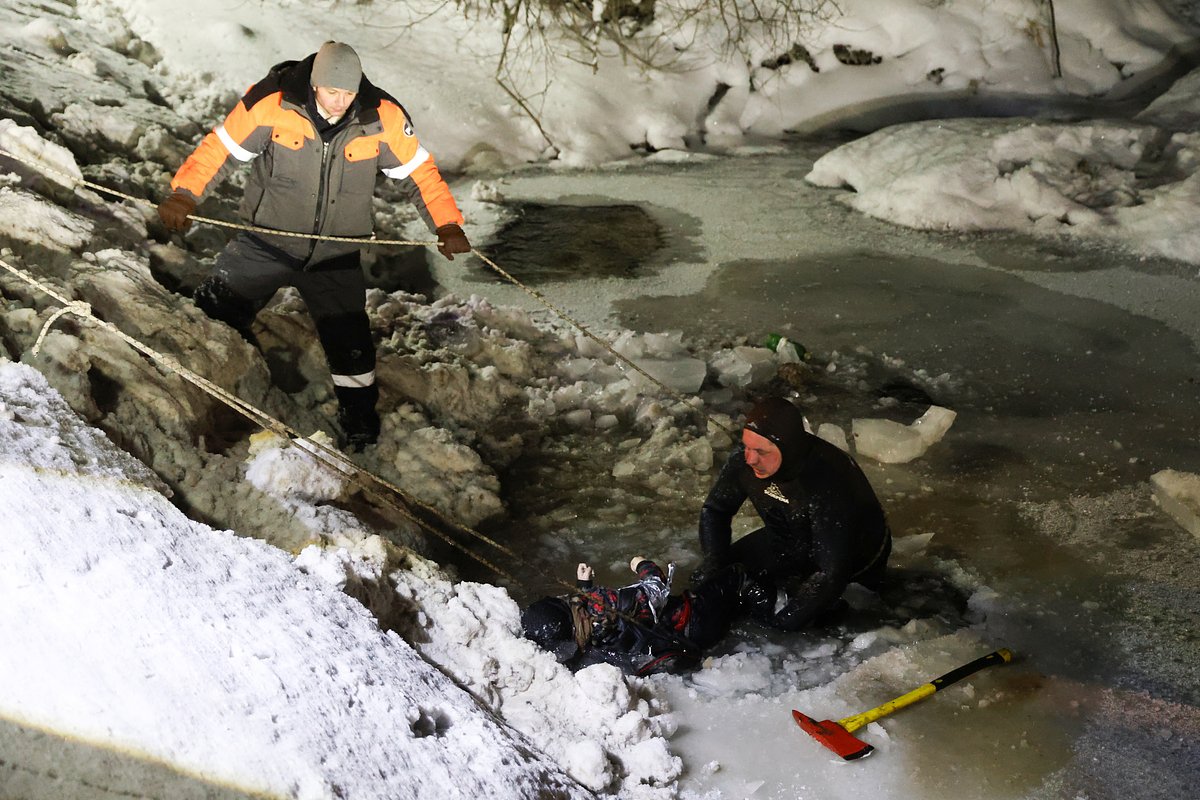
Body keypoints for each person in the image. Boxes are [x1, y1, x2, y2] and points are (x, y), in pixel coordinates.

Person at [157, 41, 471, 450]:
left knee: (353, 351)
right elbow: (220, 149)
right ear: (315, 84)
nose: (341, 102)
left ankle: (359, 423)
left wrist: (447, 223)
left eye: (349, 92)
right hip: (266, 241)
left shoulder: (382, 117)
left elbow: (419, 174)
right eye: (333, 92)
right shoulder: (272, 103)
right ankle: (184, 392)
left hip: (334, 254)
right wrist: (184, 194)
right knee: (211, 315)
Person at [696, 396, 892, 631]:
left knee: (794, 621)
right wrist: (713, 561)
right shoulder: (746, 461)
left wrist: (786, 620)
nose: (750, 458)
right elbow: (716, 510)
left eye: (760, 451)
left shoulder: (826, 478)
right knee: (712, 583)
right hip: (788, 540)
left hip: (852, 562)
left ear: (787, 448)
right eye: (747, 447)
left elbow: (831, 573)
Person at [520, 556, 761, 676]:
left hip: (663, 651)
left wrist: (584, 587)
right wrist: (643, 564)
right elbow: (656, 588)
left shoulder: (582, 652)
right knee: (737, 575)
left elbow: (588, 620)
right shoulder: (612, 607)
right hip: (693, 624)